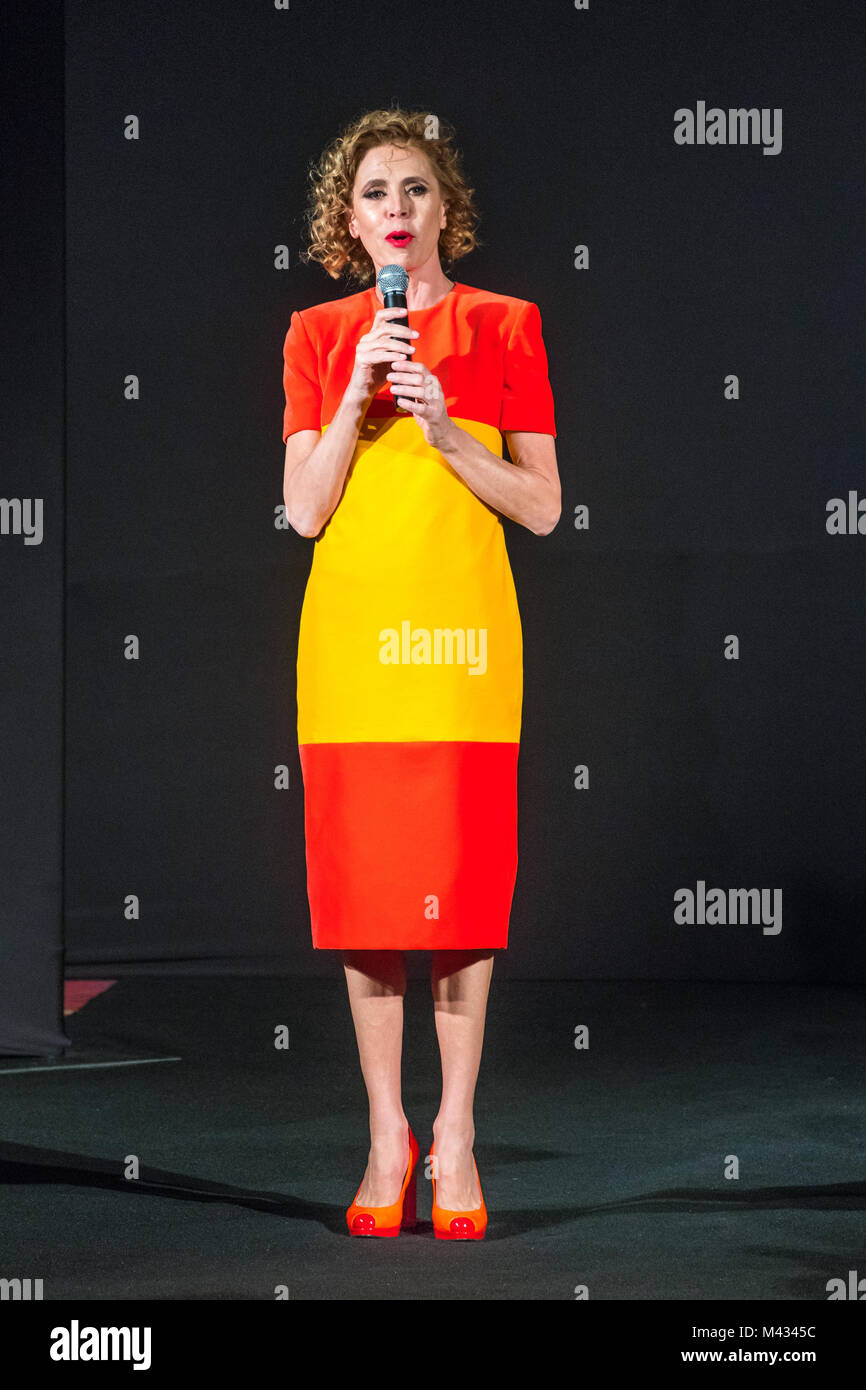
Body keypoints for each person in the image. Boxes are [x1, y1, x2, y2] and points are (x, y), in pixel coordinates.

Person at [280, 108, 560, 1240]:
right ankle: (385, 1133)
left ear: (447, 207)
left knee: (457, 896)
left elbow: (541, 508)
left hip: (460, 644)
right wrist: (356, 396)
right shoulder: (314, 334)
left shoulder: (507, 325)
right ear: (345, 222)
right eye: (372, 194)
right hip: (353, 642)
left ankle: (456, 1135)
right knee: (366, 895)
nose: (393, 210)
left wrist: (452, 434)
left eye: (413, 190)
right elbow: (303, 511)